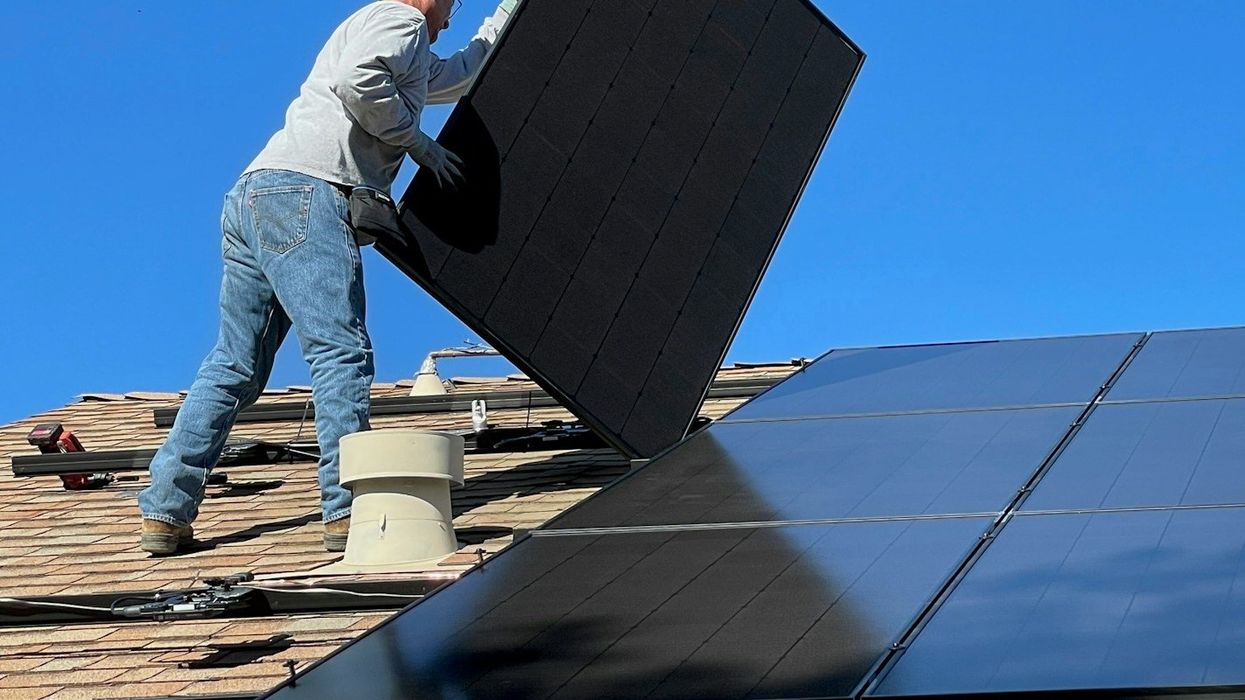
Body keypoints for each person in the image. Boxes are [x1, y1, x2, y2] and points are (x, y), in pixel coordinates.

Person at [137, 0, 518, 555]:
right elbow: (358, 81)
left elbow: (459, 74)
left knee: (235, 364)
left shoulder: (403, 45)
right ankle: (347, 509)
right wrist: (417, 143)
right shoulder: (402, 19)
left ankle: (165, 510)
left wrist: (506, 13)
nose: (449, 19)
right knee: (341, 350)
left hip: (256, 195)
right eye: (452, 4)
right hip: (308, 192)